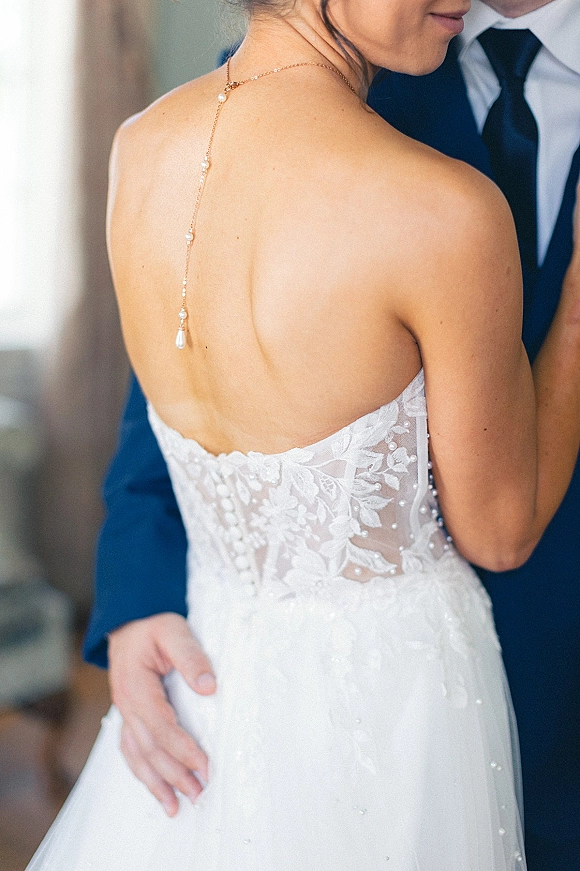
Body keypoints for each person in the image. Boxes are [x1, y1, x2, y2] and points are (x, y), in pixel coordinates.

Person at [30, 0, 580, 867]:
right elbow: (501, 528)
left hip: (227, 707)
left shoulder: (140, 144)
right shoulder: (436, 196)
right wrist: (134, 597)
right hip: (405, 721)